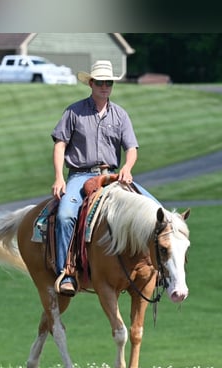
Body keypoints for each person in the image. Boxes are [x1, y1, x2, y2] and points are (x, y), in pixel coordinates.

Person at [50, 59, 160, 297]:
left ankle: (159, 269)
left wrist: (127, 168)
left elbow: (131, 148)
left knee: (158, 211)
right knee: (65, 215)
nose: (104, 87)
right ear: (91, 83)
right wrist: (59, 178)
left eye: (108, 82)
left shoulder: (120, 115)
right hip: (81, 175)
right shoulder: (73, 112)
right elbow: (60, 146)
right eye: (100, 82)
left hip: (112, 175)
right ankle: (67, 271)